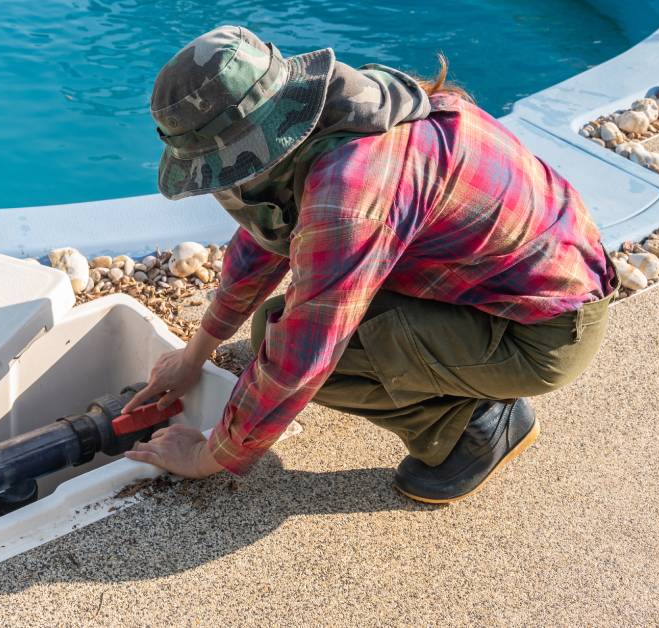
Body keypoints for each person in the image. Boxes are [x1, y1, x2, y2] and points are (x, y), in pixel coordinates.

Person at [122, 25, 615, 504]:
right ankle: (460, 380)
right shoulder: (343, 109)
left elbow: (304, 358)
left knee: (297, 348)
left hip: (541, 334)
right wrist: (195, 353)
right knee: (277, 331)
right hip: (506, 289)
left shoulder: (348, 192)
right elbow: (264, 239)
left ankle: (474, 428)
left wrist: (209, 456)